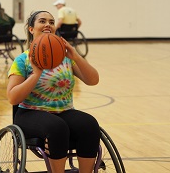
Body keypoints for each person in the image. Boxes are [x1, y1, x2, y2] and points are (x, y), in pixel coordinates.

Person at [7, 11, 100, 173]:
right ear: (31, 29)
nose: (48, 24)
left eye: (51, 21)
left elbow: (93, 80)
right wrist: (36, 75)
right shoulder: (22, 60)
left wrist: (76, 56)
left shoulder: (65, 58)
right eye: (42, 21)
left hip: (64, 111)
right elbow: (13, 97)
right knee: (57, 127)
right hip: (29, 113)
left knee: (89, 124)